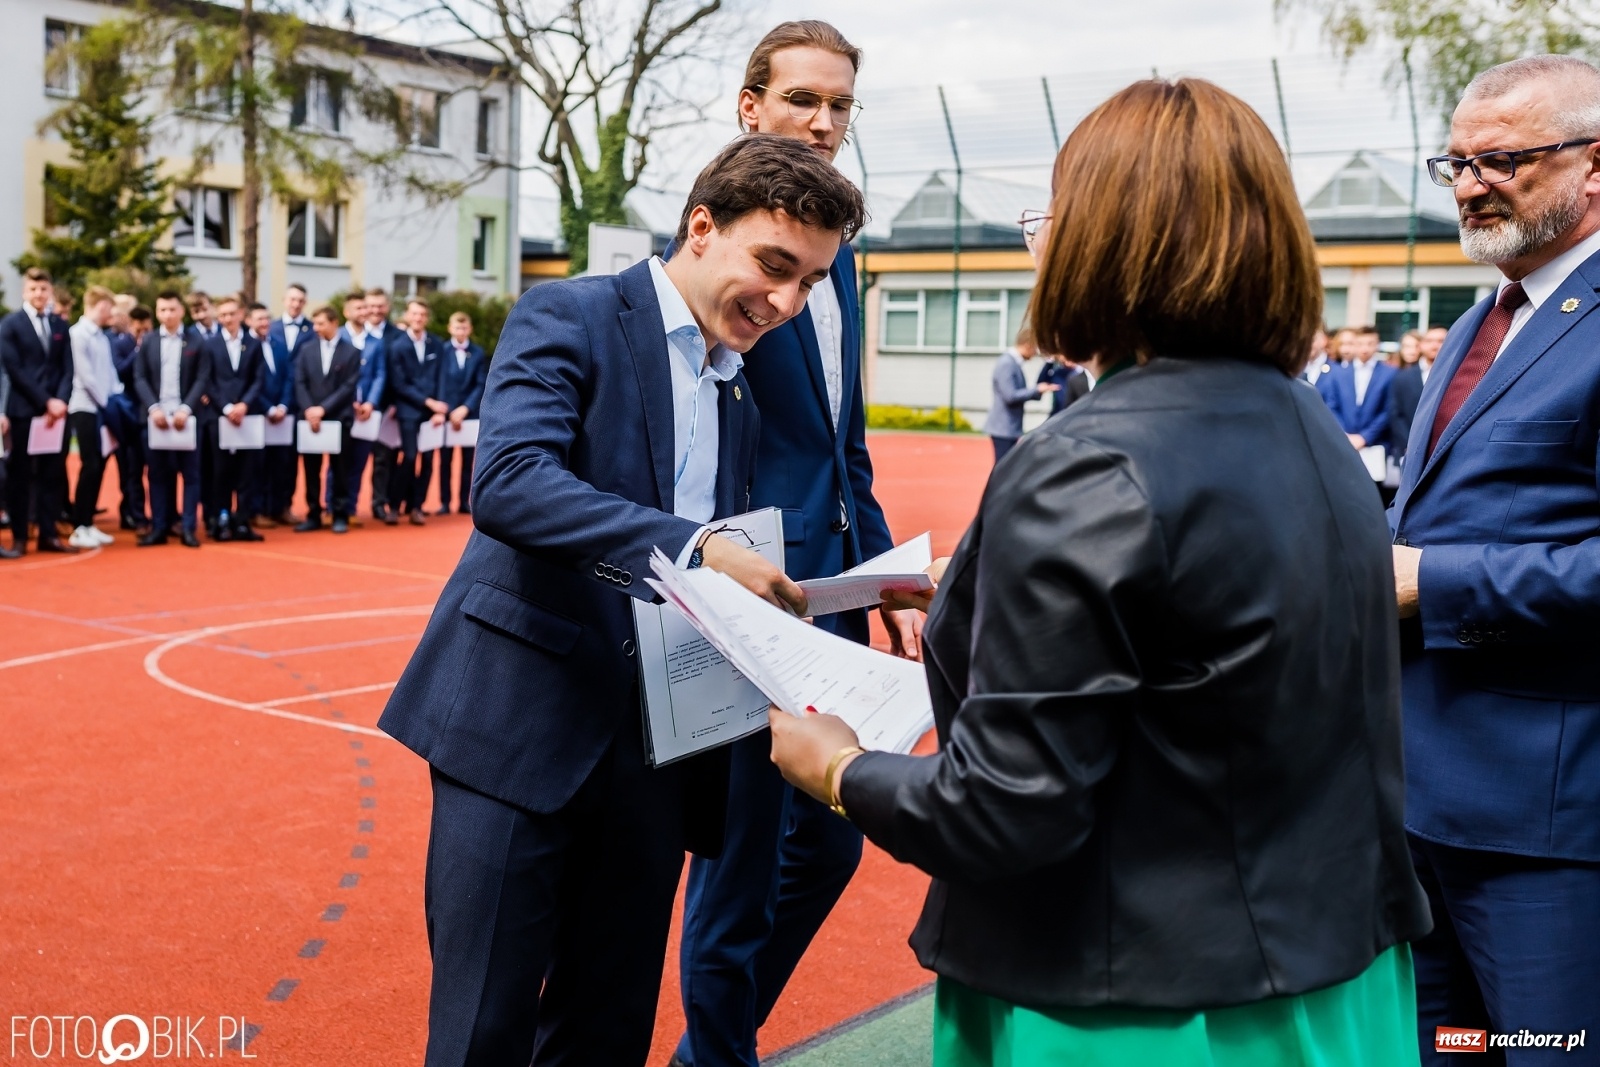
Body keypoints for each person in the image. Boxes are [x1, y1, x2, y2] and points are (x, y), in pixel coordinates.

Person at [770, 77, 1431, 1067]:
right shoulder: (1310, 428)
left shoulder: (1087, 458)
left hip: (1135, 1000)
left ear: (1101, 239)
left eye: (1053, 215)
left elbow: (1003, 808)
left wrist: (838, 767)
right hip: (1325, 967)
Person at [379, 134, 865, 1067]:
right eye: (774, 266)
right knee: (483, 1033)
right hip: (520, 733)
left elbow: (711, 582)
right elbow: (512, 482)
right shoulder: (568, 311)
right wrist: (697, 545)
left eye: (809, 282)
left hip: (656, 758)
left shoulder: (740, 397)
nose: (787, 303)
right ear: (701, 226)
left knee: (607, 1036)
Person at [668, 24, 913, 1067]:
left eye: (841, 106)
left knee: (829, 842)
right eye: (803, 99)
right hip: (751, 593)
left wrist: (887, 564)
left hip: (836, 582)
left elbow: (840, 433)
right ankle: (716, 1055)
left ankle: (707, 1048)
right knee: (740, 857)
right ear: (749, 106)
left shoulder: (838, 250)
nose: (823, 122)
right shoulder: (708, 248)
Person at [1389, 54, 1600, 1063]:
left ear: (1592, 166)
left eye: (1503, 159)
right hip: (1420, 805)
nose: (1471, 183)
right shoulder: (1487, 312)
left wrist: (1427, 581)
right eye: (1457, 162)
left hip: (1546, 827)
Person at [2, 267, 76, 557]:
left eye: (43, 289)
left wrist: (60, 401)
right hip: (24, 411)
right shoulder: (10, 325)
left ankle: (48, 533)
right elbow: (15, 370)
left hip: (55, 415)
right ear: (24, 291)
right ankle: (20, 537)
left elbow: (68, 368)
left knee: (52, 475)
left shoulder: (60, 325)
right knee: (20, 477)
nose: (38, 294)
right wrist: (46, 401)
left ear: (50, 292)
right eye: (33, 289)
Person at [135, 291, 208, 549]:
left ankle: (188, 528)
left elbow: (202, 377)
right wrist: (153, 408)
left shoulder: (196, 341)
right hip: (156, 420)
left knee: (190, 475)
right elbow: (140, 377)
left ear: (181, 312)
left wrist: (186, 408)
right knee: (157, 475)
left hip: (185, 420)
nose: (167, 314)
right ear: (157, 312)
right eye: (162, 310)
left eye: (172, 309)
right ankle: (159, 527)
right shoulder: (149, 341)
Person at [201, 295, 265, 542]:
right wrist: (227, 408)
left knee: (248, 472)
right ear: (219, 318)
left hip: (248, 417)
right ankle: (221, 520)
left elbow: (258, 379)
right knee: (221, 473)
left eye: (232, 313)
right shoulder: (211, 345)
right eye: (223, 315)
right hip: (220, 418)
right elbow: (207, 380)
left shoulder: (254, 343)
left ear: (241, 315)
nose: (228, 318)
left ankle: (243, 522)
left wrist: (244, 405)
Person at [293, 306, 360, 534]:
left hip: (338, 419)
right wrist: (310, 410)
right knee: (311, 470)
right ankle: (313, 514)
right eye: (315, 323)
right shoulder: (306, 350)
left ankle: (339, 514)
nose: (316, 328)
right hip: (311, 419)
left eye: (320, 323)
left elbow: (348, 387)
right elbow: (299, 382)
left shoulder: (351, 352)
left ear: (334, 323)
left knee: (340, 469)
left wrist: (323, 409)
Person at [65, 285, 120, 549]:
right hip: (85, 406)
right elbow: (85, 375)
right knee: (90, 464)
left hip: (103, 406)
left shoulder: (101, 336)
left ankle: (88, 523)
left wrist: (117, 398)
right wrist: (105, 402)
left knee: (99, 462)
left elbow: (109, 372)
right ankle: (78, 525)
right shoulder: (78, 334)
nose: (110, 312)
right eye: (108, 306)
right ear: (97, 305)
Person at [385, 297, 445, 524]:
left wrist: (440, 410)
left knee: (429, 461)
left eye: (422, 314)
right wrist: (430, 403)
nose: (418, 318)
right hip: (408, 411)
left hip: (433, 415)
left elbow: (442, 378)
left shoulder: (437, 344)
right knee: (409, 457)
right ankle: (394, 505)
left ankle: (417, 507)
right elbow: (399, 384)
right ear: (408, 316)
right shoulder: (397, 346)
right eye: (414, 314)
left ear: (426, 318)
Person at [338, 290, 386, 522]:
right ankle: (332, 506)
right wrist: (349, 401)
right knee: (338, 461)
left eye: (365, 308)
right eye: (359, 308)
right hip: (342, 409)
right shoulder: (338, 337)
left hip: (367, 412)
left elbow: (379, 374)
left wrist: (370, 402)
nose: (364, 312)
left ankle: (350, 507)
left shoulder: (376, 342)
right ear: (347, 312)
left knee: (359, 461)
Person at [252, 302, 300, 528]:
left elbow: (290, 378)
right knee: (258, 466)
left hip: (282, 415)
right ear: (249, 321)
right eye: (259, 319)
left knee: (283, 463)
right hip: (258, 415)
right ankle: (258, 510)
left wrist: (282, 405)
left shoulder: (279, 345)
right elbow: (252, 383)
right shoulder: (247, 346)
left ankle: (280, 507)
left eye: (266, 318)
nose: (264, 323)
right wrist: (268, 408)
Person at [434, 311, 485, 515]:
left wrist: (465, 408)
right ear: (450, 328)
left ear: (470, 329)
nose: (460, 331)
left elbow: (480, 383)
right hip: (446, 412)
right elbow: (438, 381)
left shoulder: (478, 353)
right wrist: (446, 409)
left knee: (467, 461)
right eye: (457, 327)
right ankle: (444, 501)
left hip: (468, 414)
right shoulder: (442, 350)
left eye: (464, 328)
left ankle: (464, 501)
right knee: (444, 460)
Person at [1318, 324, 1396, 454]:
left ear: (1377, 345)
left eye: (1370, 343)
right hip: (1343, 440)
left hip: (1375, 444)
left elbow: (1388, 410)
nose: (1365, 348)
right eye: (1360, 344)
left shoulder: (1390, 373)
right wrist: (1344, 435)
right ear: (1354, 345)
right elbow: (1332, 405)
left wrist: (1365, 437)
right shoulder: (1338, 373)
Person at [982, 330, 1057, 463]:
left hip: (1008, 427)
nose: (1035, 354)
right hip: (1003, 428)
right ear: (1028, 345)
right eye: (1035, 349)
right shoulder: (1007, 363)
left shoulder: (1013, 363)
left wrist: (1038, 391)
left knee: (1006, 468)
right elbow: (1010, 395)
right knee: (1003, 469)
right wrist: (1037, 390)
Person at [366, 289, 407, 525]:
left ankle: (380, 502)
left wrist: (393, 404)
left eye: (380, 306)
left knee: (385, 459)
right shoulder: (354, 334)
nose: (375, 310)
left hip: (388, 408)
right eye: (371, 306)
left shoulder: (397, 336)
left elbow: (398, 373)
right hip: (358, 408)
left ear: (387, 307)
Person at [1387, 325, 1443, 467]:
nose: (1435, 345)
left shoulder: (1456, 375)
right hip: (1408, 450)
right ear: (1421, 345)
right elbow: (1396, 414)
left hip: (1441, 450)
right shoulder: (1402, 377)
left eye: (1441, 340)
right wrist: (1409, 444)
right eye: (1430, 340)